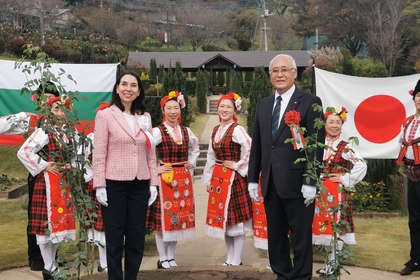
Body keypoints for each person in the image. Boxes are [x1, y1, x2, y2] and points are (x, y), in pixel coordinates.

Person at [247, 54, 325, 280]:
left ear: (294, 73)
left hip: (298, 184)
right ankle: (283, 275)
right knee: (276, 238)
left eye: (284, 70)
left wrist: (311, 181)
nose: (279, 74)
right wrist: (253, 178)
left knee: (300, 238)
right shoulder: (263, 105)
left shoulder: (310, 102)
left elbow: (316, 146)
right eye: (275, 71)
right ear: (270, 75)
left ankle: (301, 277)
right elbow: (259, 145)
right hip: (271, 183)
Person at [92, 70, 159, 280]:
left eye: (133, 85)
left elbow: (150, 153)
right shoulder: (105, 115)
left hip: (140, 183)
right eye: (124, 84)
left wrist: (153, 183)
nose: (128, 89)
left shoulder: (145, 117)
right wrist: (99, 184)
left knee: (136, 237)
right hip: (114, 184)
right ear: (117, 88)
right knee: (114, 238)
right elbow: (99, 153)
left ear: (139, 91)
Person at [17, 96, 77, 280]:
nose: (60, 113)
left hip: (63, 184)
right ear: (50, 112)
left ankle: (51, 265)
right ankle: (48, 267)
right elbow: (24, 151)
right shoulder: (44, 131)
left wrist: (71, 166)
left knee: (57, 225)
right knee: (45, 227)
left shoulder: (68, 131)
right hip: (47, 185)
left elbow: (76, 155)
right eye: (56, 109)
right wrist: (44, 165)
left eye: (63, 110)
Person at [147, 91, 200, 269]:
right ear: (163, 110)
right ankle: (162, 258)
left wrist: (191, 163)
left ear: (180, 109)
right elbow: (145, 152)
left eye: (175, 108)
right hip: (166, 179)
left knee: (178, 219)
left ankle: (170, 256)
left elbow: (195, 148)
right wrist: (155, 168)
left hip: (182, 180)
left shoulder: (186, 131)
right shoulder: (157, 131)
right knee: (163, 220)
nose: (172, 112)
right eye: (168, 108)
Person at [312, 106, 367, 276]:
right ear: (325, 124)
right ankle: (330, 265)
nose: (334, 125)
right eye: (331, 122)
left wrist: (344, 179)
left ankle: (333, 265)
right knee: (324, 227)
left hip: (338, 194)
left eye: (338, 122)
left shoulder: (346, 146)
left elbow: (361, 165)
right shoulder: (318, 143)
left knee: (336, 227)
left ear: (342, 125)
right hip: (320, 193)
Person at [202, 92, 253, 266]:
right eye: (222, 106)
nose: (224, 110)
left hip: (233, 180)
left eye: (228, 107)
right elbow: (210, 155)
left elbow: (250, 147)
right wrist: (208, 180)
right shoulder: (216, 130)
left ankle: (236, 259)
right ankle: (230, 257)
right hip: (218, 179)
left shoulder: (237, 129)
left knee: (236, 222)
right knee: (224, 220)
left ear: (234, 110)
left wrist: (238, 165)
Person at [396, 79, 420, 276]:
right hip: (412, 174)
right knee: (414, 220)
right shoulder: (409, 121)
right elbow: (402, 144)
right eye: (418, 96)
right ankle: (416, 259)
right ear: (414, 98)